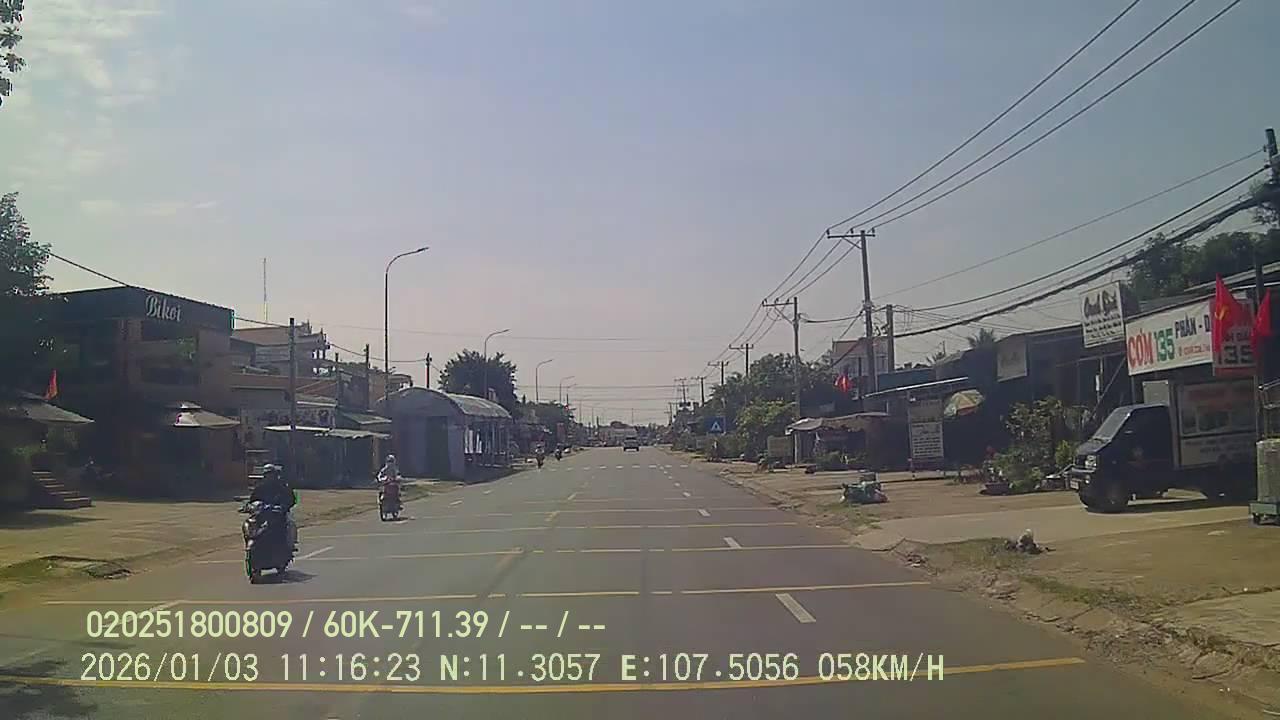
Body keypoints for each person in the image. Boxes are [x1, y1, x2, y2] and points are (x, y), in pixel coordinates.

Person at [250, 464, 297, 551]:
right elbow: (252, 500)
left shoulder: (283, 487)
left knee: (290, 523)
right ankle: (251, 542)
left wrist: (284, 506)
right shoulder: (260, 488)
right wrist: (249, 506)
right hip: (262, 513)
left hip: (279, 514)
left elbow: (291, 499)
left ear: (275, 475)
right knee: (249, 523)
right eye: (267, 474)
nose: (269, 477)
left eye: (271, 474)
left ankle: (290, 545)